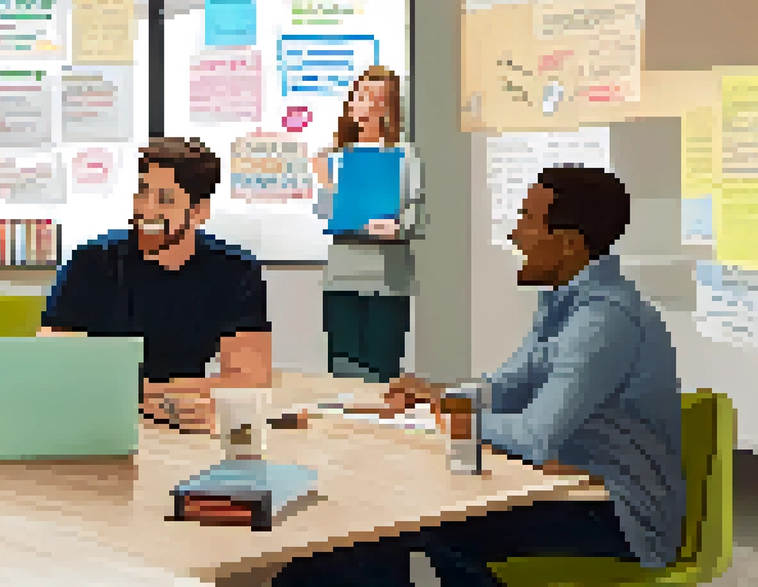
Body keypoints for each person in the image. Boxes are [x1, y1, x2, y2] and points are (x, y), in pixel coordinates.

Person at [273, 166, 685, 586]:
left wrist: (447, 417)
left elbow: (534, 437)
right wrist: (438, 396)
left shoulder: (603, 321)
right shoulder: (565, 304)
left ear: (567, 244)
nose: (515, 235)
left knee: (413, 525)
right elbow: (505, 386)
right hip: (573, 489)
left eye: (527, 220)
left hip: (617, 517)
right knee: (380, 531)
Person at [40, 137, 271, 434]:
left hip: (181, 425)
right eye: (142, 192)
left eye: (165, 199)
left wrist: (148, 396)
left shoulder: (235, 269)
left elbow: (249, 379)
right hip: (95, 421)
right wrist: (150, 397)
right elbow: (51, 360)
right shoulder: (92, 261)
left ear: (199, 212)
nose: (146, 210)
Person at [313, 64, 424, 383]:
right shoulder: (335, 155)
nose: (367, 107)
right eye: (361, 97)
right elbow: (324, 214)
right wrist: (325, 182)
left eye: (378, 100)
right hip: (342, 276)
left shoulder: (405, 155)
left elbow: (419, 210)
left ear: (391, 109)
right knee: (343, 370)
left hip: (387, 276)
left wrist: (398, 227)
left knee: (381, 371)